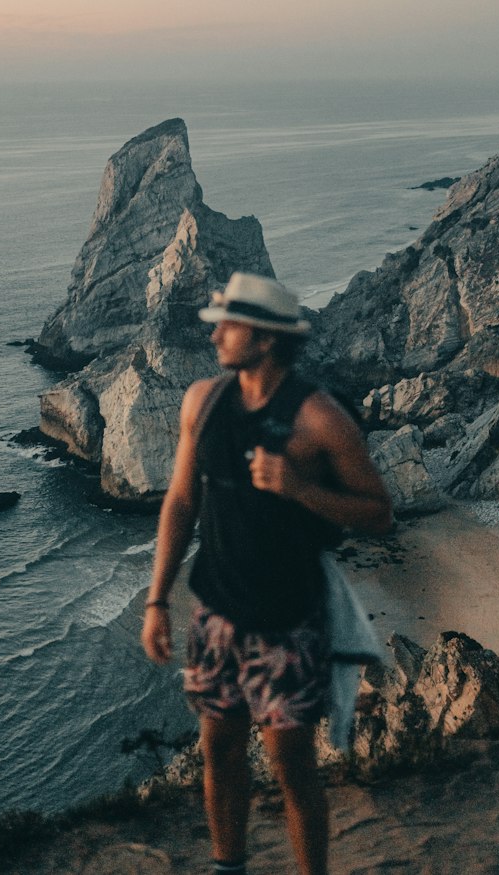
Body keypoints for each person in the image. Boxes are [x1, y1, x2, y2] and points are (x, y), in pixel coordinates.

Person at [141, 271, 392, 875]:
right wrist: (156, 602)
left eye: (230, 326)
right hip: (216, 614)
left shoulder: (321, 418)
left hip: (288, 621)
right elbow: (180, 501)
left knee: (292, 769)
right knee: (218, 752)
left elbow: (379, 513)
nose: (216, 336)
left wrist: (301, 488)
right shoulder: (202, 402)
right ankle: (230, 867)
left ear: (266, 337)